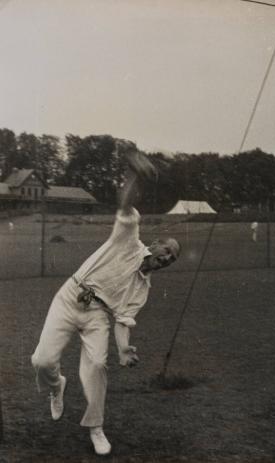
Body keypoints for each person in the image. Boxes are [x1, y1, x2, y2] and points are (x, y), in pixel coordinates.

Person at [31, 155, 181, 456]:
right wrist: (136, 177)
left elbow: (124, 320)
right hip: (70, 296)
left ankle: (96, 428)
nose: (166, 259)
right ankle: (56, 386)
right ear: (154, 245)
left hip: (98, 315)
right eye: (166, 251)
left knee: (98, 366)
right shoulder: (129, 239)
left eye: (172, 260)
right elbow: (125, 206)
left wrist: (124, 349)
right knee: (42, 362)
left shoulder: (143, 288)